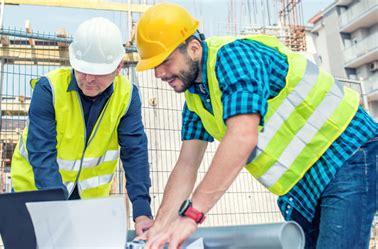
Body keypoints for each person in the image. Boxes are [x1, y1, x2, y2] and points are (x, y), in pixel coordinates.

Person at [134, 3, 377, 248]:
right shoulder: (196, 98)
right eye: (154, 65)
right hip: (305, 181)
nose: (158, 73)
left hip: (347, 153)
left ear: (194, 48)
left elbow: (242, 137)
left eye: (165, 61)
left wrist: (192, 216)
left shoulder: (234, 58)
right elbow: (186, 164)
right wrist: (161, 226)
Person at [10, 17, 153, 235]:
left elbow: (135, 153)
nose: (88, 79)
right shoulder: (49, 89)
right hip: (34, 193)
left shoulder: (127, 96)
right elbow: (42, 153)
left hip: (87, 203)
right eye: (82, 69)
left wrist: (142, 211)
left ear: (118, 67)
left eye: (98, 72)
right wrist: (57, 211)